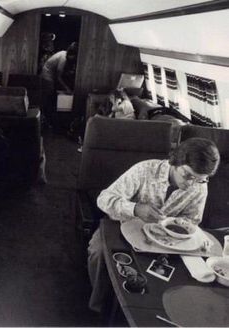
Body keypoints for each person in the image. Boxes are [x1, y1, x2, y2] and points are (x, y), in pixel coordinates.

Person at [87, 137, 220, 312]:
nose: (190, 184)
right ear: (176, 160)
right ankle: (98, 308)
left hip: (165, 240)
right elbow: (104, 199)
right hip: (120, 227)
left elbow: (193, 220)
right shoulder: (145, 170)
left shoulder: (199, 187)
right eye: (187, 175)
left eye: (199, 179)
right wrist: (135, 209)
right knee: (98, 252)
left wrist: (174, 227)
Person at [41, 42, 78, 127]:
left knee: (49, 98)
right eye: (73, 57)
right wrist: (67, 89)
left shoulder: (63, 53)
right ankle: (46, 121)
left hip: (48, 74)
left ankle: (47, 120)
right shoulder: (63, 59)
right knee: (48, 98)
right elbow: (59, 77)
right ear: (71, 55)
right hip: (47, 76)